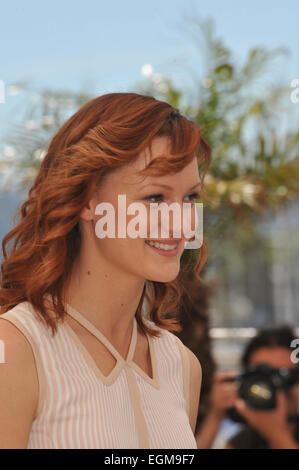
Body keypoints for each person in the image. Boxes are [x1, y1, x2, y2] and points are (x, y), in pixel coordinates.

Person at [0, 92, 211, 449]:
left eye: (190, 197)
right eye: (155, 198)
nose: (182, 222)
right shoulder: (17, 349)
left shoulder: (181, 365)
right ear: (87, 202)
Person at [195, 325, 299, 449]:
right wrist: (215, 416)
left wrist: (276, 434)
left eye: (282, 376)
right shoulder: (245, 439)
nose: (270, 386)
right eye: (261, 376)